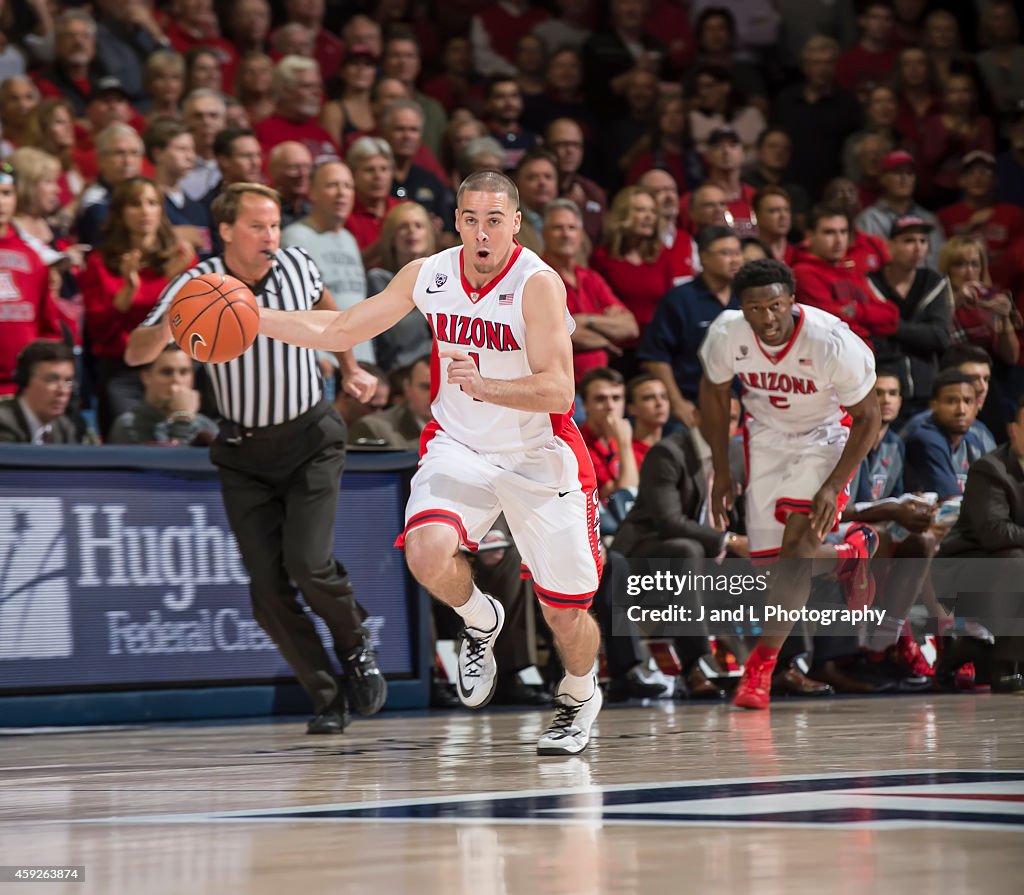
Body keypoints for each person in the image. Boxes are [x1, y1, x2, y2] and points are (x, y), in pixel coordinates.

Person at [258, 170, 605, 756]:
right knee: (425, 552)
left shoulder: (537, 284)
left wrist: (489, 387)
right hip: (461, 443)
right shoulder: (430, 273)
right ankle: (479, 617)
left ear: (515, 224)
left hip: (539, 454)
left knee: (565, 615)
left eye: (494, 220)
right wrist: (253, 321)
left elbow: (560, 393)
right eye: (470, 219)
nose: (481, 231)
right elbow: (344, 325)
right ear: (457, 223)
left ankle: (579, 692)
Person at [124, 182, 386, 736]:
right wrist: (167, 324)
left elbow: (330, 312)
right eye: (257, 226)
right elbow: (135, 352)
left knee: (308, 563)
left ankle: (355, 643)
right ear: (225, 231)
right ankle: (327, 692)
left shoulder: (295, 263)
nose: (271, 236)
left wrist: (351, 367)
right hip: (244, 453)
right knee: (267, 589)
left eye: (273, 225)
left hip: (310, 439)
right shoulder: (196, 285)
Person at [700, 258, 881, 710]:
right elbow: (714, 396)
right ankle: (847, 554)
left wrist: (832, 484)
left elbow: (870, 418)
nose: (767, 318)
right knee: (777, 569)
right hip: (765, 439)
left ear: (792, 302)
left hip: (826, 437)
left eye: (776, 306)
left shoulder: (832, 341)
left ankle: (760, 670)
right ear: (741, 308)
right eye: (756, 309)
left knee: (796, 548)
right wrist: (722, 469)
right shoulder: (726, 334)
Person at [108, 342, 218, 445]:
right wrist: (183, 417)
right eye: (167, 372)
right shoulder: (129, 426)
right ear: (146, 377)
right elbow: (173, 462)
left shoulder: (205, 425)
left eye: (184, 372)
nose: (177, 380)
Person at [0, 340, 78, 444]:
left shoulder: (63, 427)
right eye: (52, 380)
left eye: (68, 381)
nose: (62, 391)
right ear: (25, 380)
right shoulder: (3, 423)